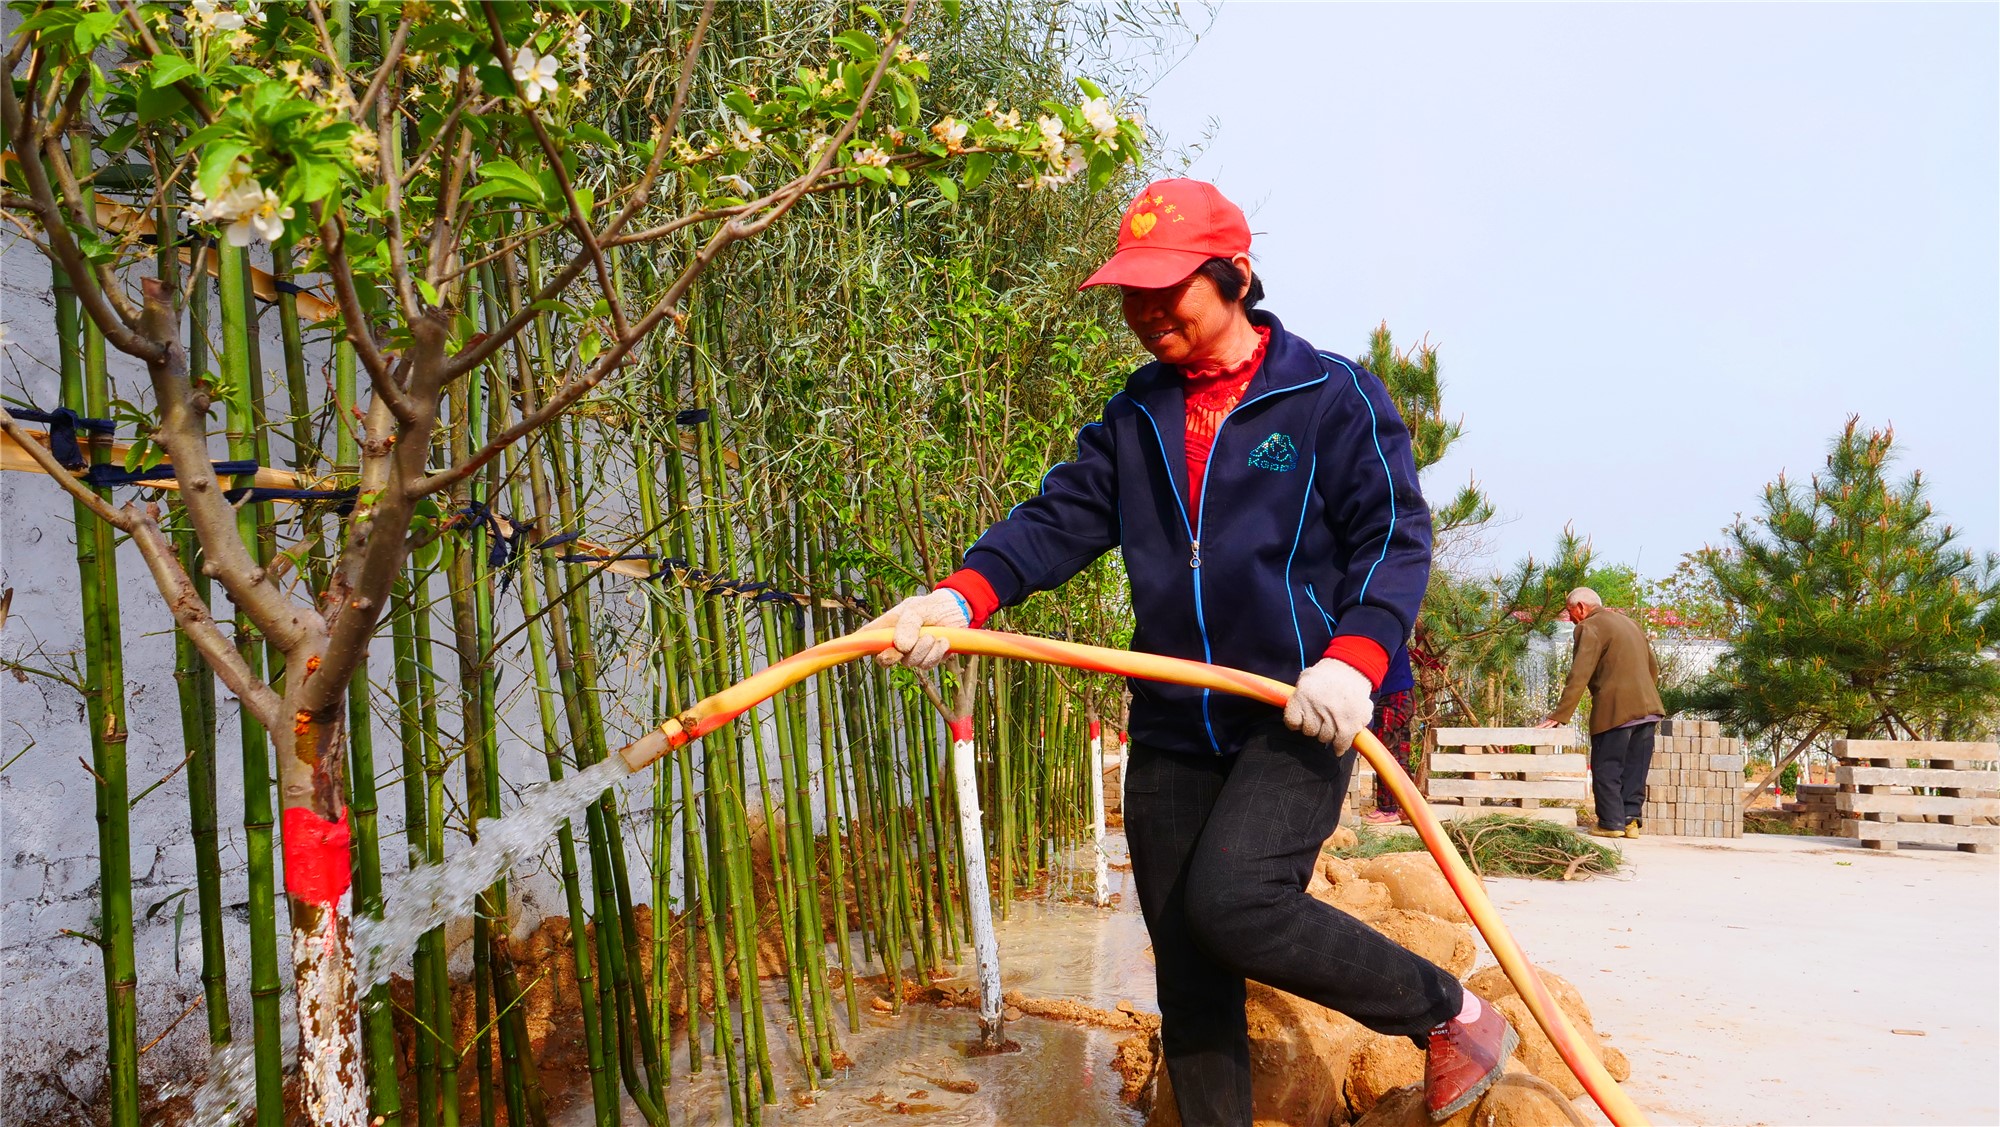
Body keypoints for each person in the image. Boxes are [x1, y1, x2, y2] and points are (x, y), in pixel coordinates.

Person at [867, 179, 1516, 1125]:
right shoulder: (1138, 416)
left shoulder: (1330, 396)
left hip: (1297, 709)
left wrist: (1356, 658)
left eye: (1168, 289)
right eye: (1132, 293)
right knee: (1188, 967)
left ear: (1236, 278)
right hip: (1174, 717)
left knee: (1237, 904)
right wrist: (958, 594)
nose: (1147, 312)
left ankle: (1450, 1012)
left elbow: (1394, 539)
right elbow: (1058, 520)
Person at [1533, 587, 1665, 839]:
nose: (1570, 619)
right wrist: (1643, 696)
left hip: (1616, 710)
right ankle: (1630, 821)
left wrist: (1559, 714)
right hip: (1649, 710)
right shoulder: (1630, 623)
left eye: (1570, 612)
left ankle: (1610, 823)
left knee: (1607, 766)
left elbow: (1579, 674)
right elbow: (1652, 667)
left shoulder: (1589, 627)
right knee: (1635, 768)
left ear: (1581, 607)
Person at [1363, 646, 1419, 825]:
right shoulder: (1392, 626)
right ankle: (1408, 809)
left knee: (1384, 755)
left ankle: (1388, 810)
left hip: (1390, 699)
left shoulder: (1374, 628)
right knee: (1400, 757)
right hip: (1405, 695)